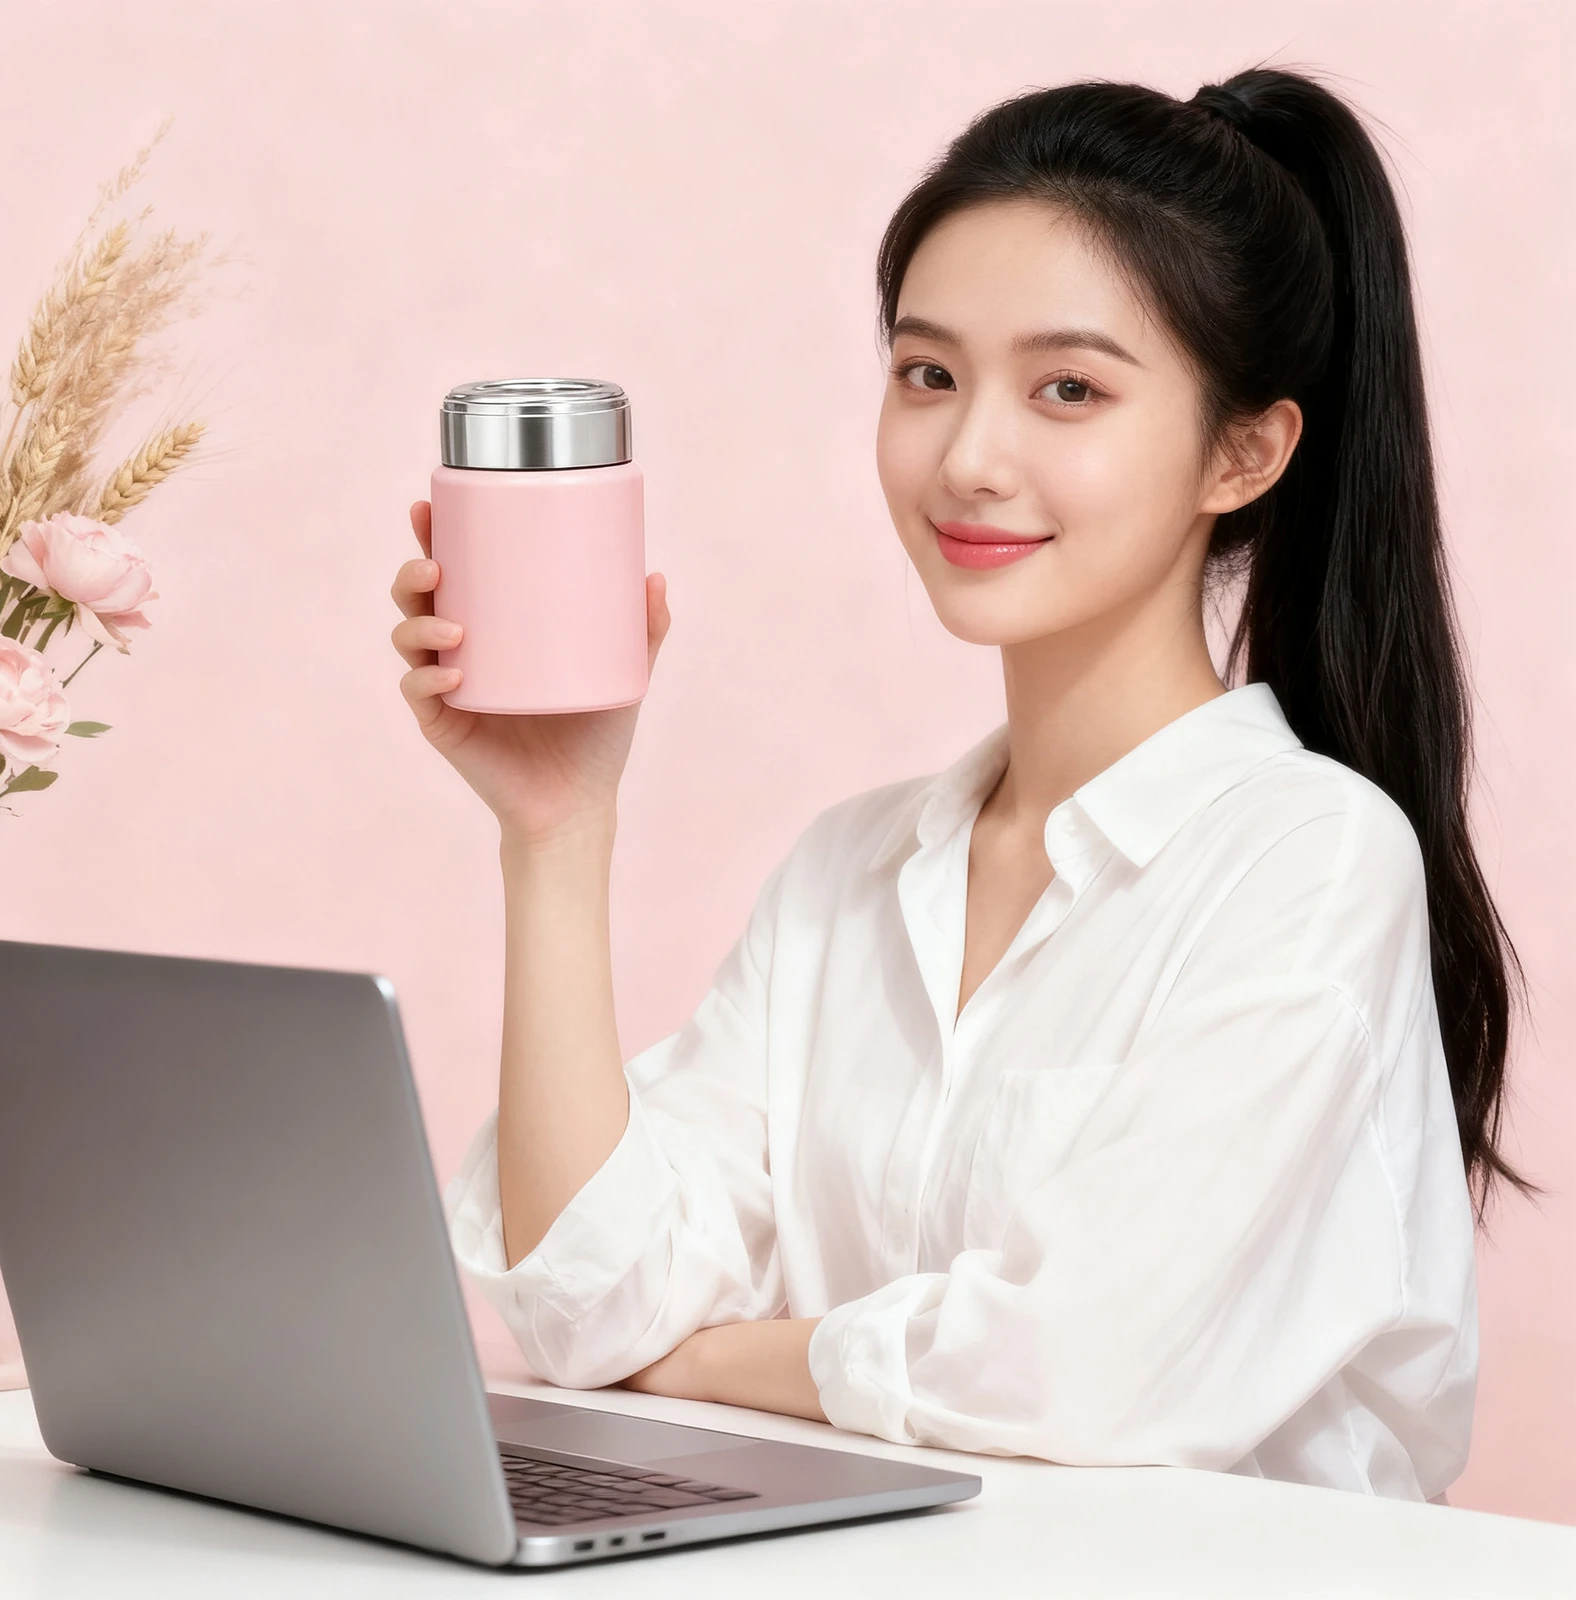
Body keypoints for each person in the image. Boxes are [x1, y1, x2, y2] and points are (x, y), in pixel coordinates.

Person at [389, 64, 1535, 1502]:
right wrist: (555, 830)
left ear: (1244, 451)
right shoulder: (848, 873)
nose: (970, 456)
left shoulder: (1308, 864)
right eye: (928, 374)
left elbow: (1072, 1380)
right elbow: (585, 1301)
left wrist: (699, 1362)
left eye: (1068, 389)